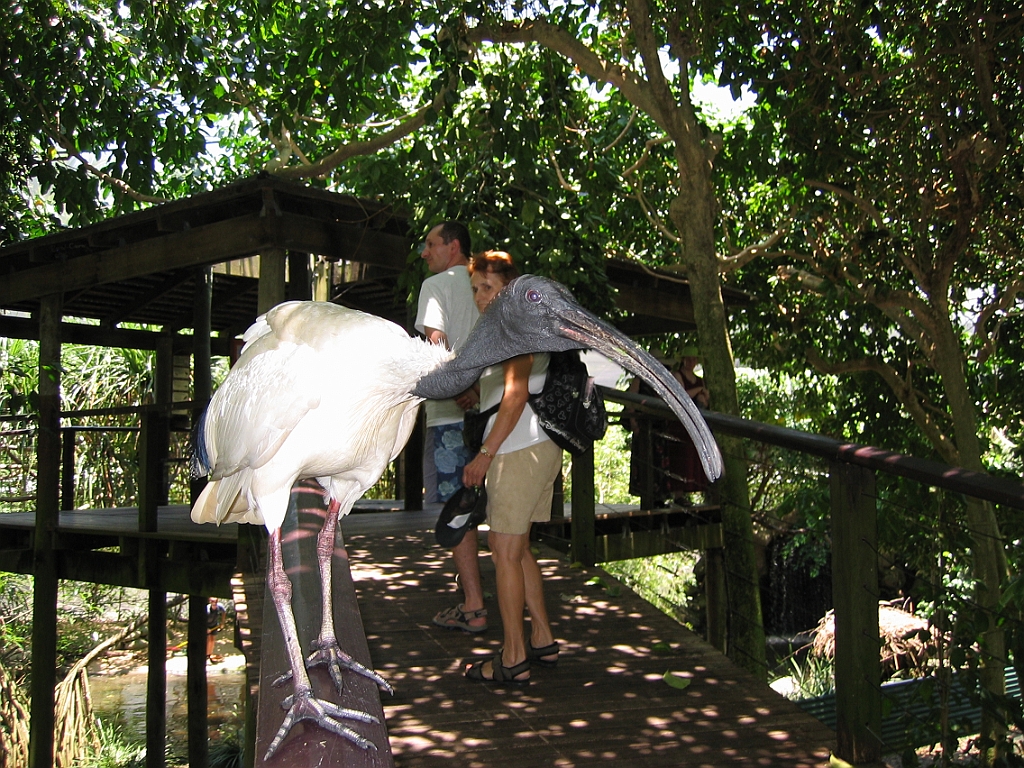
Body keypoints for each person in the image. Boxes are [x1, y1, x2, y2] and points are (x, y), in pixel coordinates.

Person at [462, 250, 562, 684]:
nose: (481, 297)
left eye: (489, 287)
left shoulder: (515, 328)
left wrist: (485, 454)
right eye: (476, 289)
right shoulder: (524, 325)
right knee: (518, 550)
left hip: (517, 451)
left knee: (503, 552)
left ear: (510, 288)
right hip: (539, 448)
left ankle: (512, 657)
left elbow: (515, 395)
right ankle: (541, 638)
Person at [415, 221, 488, 633]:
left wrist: (459, 385)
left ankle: (474, 606)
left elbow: (435, 342)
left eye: (430, 244)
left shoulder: (436, 286)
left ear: (453, 246)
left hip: (449, 419)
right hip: (494, 416)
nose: (425, 253)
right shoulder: (489, 283)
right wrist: (478, 387)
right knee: (488, 509)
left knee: (456, 511)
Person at [628, 346, 709, 505]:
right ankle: (650, 499)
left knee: (662, 463)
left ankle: (662, 497)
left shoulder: (664, 381)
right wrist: (633, 423)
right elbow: (631, 400)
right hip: (644, 426)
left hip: (661, 426)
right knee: (646, 462)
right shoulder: (639, 379)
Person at [206, 596, 227, 663]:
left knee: (212, 640)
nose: (214, 603)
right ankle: (206, 655)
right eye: (212, 602)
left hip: (215, 625)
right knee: (209, 640)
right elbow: (203, 620)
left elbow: (224, 612)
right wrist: (206, 628)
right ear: (210, 602)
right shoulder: (207, 610)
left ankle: (209, 654)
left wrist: (222, 622)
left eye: (215, 602)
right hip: (207, 626)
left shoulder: (220, 606)